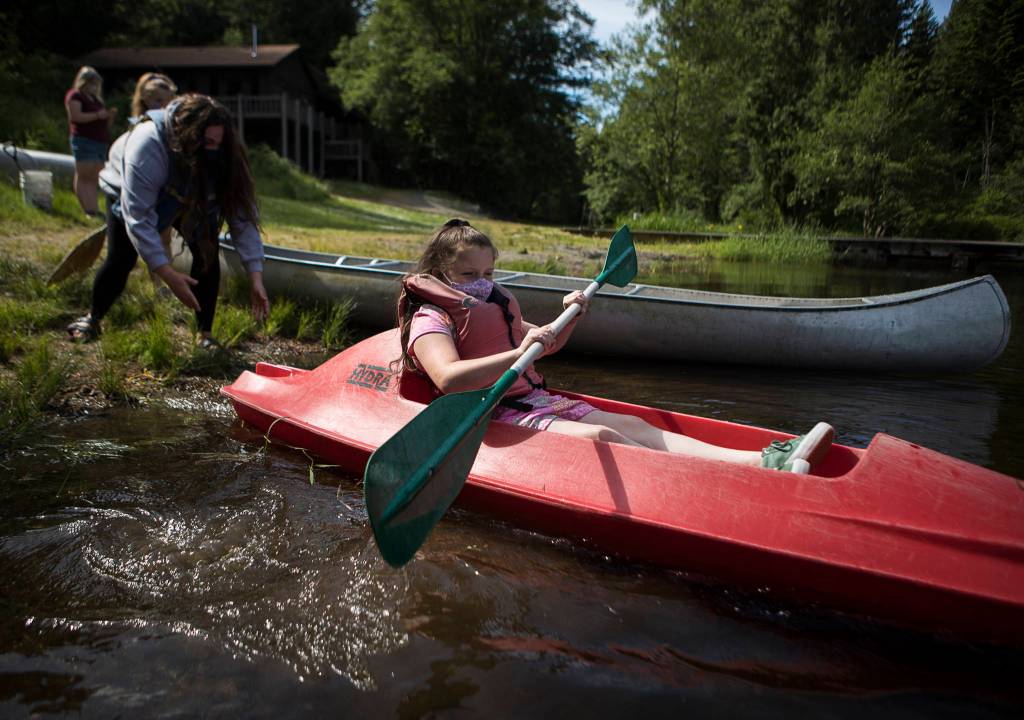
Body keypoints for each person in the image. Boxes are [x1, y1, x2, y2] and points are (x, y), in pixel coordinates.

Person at [396, 219, 834, 473]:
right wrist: (519, 352)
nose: (484, 282)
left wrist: (569, 317)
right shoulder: (430, 317)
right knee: (603, 434)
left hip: (530, 400)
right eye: (471, 275)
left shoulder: (491, 302)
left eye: (489, 271)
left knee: (637, 425)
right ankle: (723, 478)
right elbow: (448, 380)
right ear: (440, 273)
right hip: (484, 417)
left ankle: (758, 461)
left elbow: (542, 346)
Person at [65, 93, 269, 348]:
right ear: (186, 135)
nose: (213, 149)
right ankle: (93, 318)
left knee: (207, 251)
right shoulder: (148, 144)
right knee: (122, 258)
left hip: (190, 190)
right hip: (129, 187)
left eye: (218, 143)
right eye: (206, 142)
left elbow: (243, 217)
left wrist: (256, 278)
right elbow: (138, 217)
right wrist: (167, 273)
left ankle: (204, 335)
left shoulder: (226, 153)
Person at [65, 66, 117, 216]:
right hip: (84, 140)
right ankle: (88, 210)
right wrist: (98, 115)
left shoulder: (96, 99)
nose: (94, 87)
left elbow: (104, 123)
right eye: (92, 83)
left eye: (96, 84)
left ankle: (94, 209)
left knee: (95, 176)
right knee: (84, 174)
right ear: (84, 82)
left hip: (99, 140)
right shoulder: (75, 95)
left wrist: (108, 116)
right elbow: (75, 117)